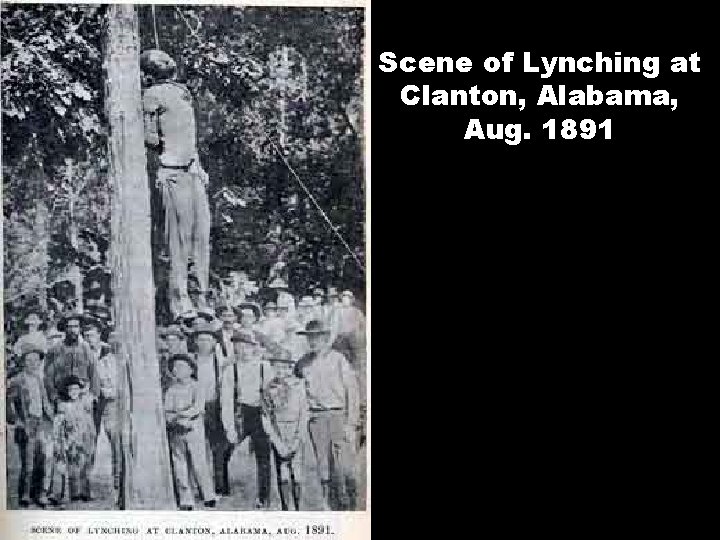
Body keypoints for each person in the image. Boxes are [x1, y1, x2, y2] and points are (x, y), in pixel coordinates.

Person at [141, 49, 211, 320]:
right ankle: (181, 303)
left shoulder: (182, 92)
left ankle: (201, 295)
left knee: (201, 236)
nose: (167, 62)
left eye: (166, 58)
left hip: (192, 170)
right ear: (151, 70)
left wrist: (198, 164)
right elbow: (150, 139)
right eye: (159, 61)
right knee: (179, 240)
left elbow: (190, 135)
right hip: (172, 171)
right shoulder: (152, 95)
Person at [295, 320, 360, 510]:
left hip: (338, 416)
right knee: (322, 464)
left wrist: (351, 422)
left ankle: (350, 504)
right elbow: (296, 387)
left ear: (325, 338)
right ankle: (328, 505)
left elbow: (352, 390)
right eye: (310, 337)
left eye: (317, 337)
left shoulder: (338, 359)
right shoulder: (304, 363)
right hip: (316, 418)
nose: (313, 341)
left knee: (344, 465)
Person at [220, 332, 274, 509]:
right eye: (238, 347)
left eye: (246, 346)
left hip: (261, 412)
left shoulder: (264, 367)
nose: (242, 350)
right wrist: (230, 428)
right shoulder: (230, 370)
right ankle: (223, 489)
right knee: (224, 449)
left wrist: (271, 420)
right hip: (241, 413)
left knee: (263, 455)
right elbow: (226, 400)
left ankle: (263, 496)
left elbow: (273, 393)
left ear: (253, 347)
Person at [163, 353, 218, 510]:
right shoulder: (171, 390)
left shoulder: (197, 386)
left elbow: (198, 407)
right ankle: (185, 498)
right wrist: (175, 419)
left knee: (199, 461)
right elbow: (167, 410)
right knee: (179, 463)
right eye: (175, 368)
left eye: (182, 367)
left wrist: (183, 415)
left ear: (190, 369)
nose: (178, 370)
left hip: (194, 427)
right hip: (177, 429)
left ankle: (208, 494)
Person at [7, 345, 55, 507]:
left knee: (42, 458)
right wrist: (16, 421)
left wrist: (54, 418)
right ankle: (25, 494)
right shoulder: (17, 380)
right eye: (29, 360)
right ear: (23, 362)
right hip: (26, 425)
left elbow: (45, 402)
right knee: (28, 463)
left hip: (40, 423)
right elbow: (8, 403)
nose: (33, 364)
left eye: (36, 361)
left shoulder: (38, 379)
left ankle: (40, 494)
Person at [261, 356, 308, 511]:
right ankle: (286, 508)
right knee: (283, 472)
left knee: (297, 472)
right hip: (278, 433)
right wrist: (276, 442)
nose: (281, 371)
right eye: (277, 367)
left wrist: (297, 439)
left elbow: (304, 414)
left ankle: (298, 507)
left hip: (295, 432)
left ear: (291, 368)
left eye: (285, 367)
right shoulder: (268, 389)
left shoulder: (299, 387)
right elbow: (266, 418)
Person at [191, 317, 229, 496]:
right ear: (195, 342)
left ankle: (220, 484)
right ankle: (200, 486)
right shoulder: (192, 360)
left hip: (214, 406)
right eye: (201, 339)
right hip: (196, 407)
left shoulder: (219, 360)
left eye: (208, 339)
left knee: (218, 447)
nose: (204, 343)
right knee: (198, 447)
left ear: (215, 342)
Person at [51, 375, 97, 504]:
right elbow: (58, 425)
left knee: (85, 466)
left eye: (76, 389)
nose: (74, 392)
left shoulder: (83, 405)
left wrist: (91, 437)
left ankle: (85, 492)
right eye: (71, 390)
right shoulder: (63, 406)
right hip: (70, 440)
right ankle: (74, 493)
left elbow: (89, 423)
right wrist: (62, 441)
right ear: (66, 391)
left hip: (84, 439)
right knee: (72, 466)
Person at [92, 331, 125, 506]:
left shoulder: (131, 359)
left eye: (118, 337)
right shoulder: (103, 363)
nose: (116, 341)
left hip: (132, 407)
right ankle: (118, 485)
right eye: (112, 338)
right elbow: (104, 388)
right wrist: (118, 392)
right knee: (116, 446)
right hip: (112, 407)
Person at [45, 313, 97, 406]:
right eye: (69, 327)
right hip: (62, 397)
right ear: (64, 328)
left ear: (80, 329)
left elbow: (94, 374)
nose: (73, 330)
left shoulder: (86, 349)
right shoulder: (56, 349)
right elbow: (48, 376)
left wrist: (93, 395)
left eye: (76, 326)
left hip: (83, 398)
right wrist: (54, 397)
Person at [158, 325, 188, 392]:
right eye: (168, 340)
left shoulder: (185, 359)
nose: (170, 343)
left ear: (179, 341)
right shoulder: (163, 358)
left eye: (173, 340)